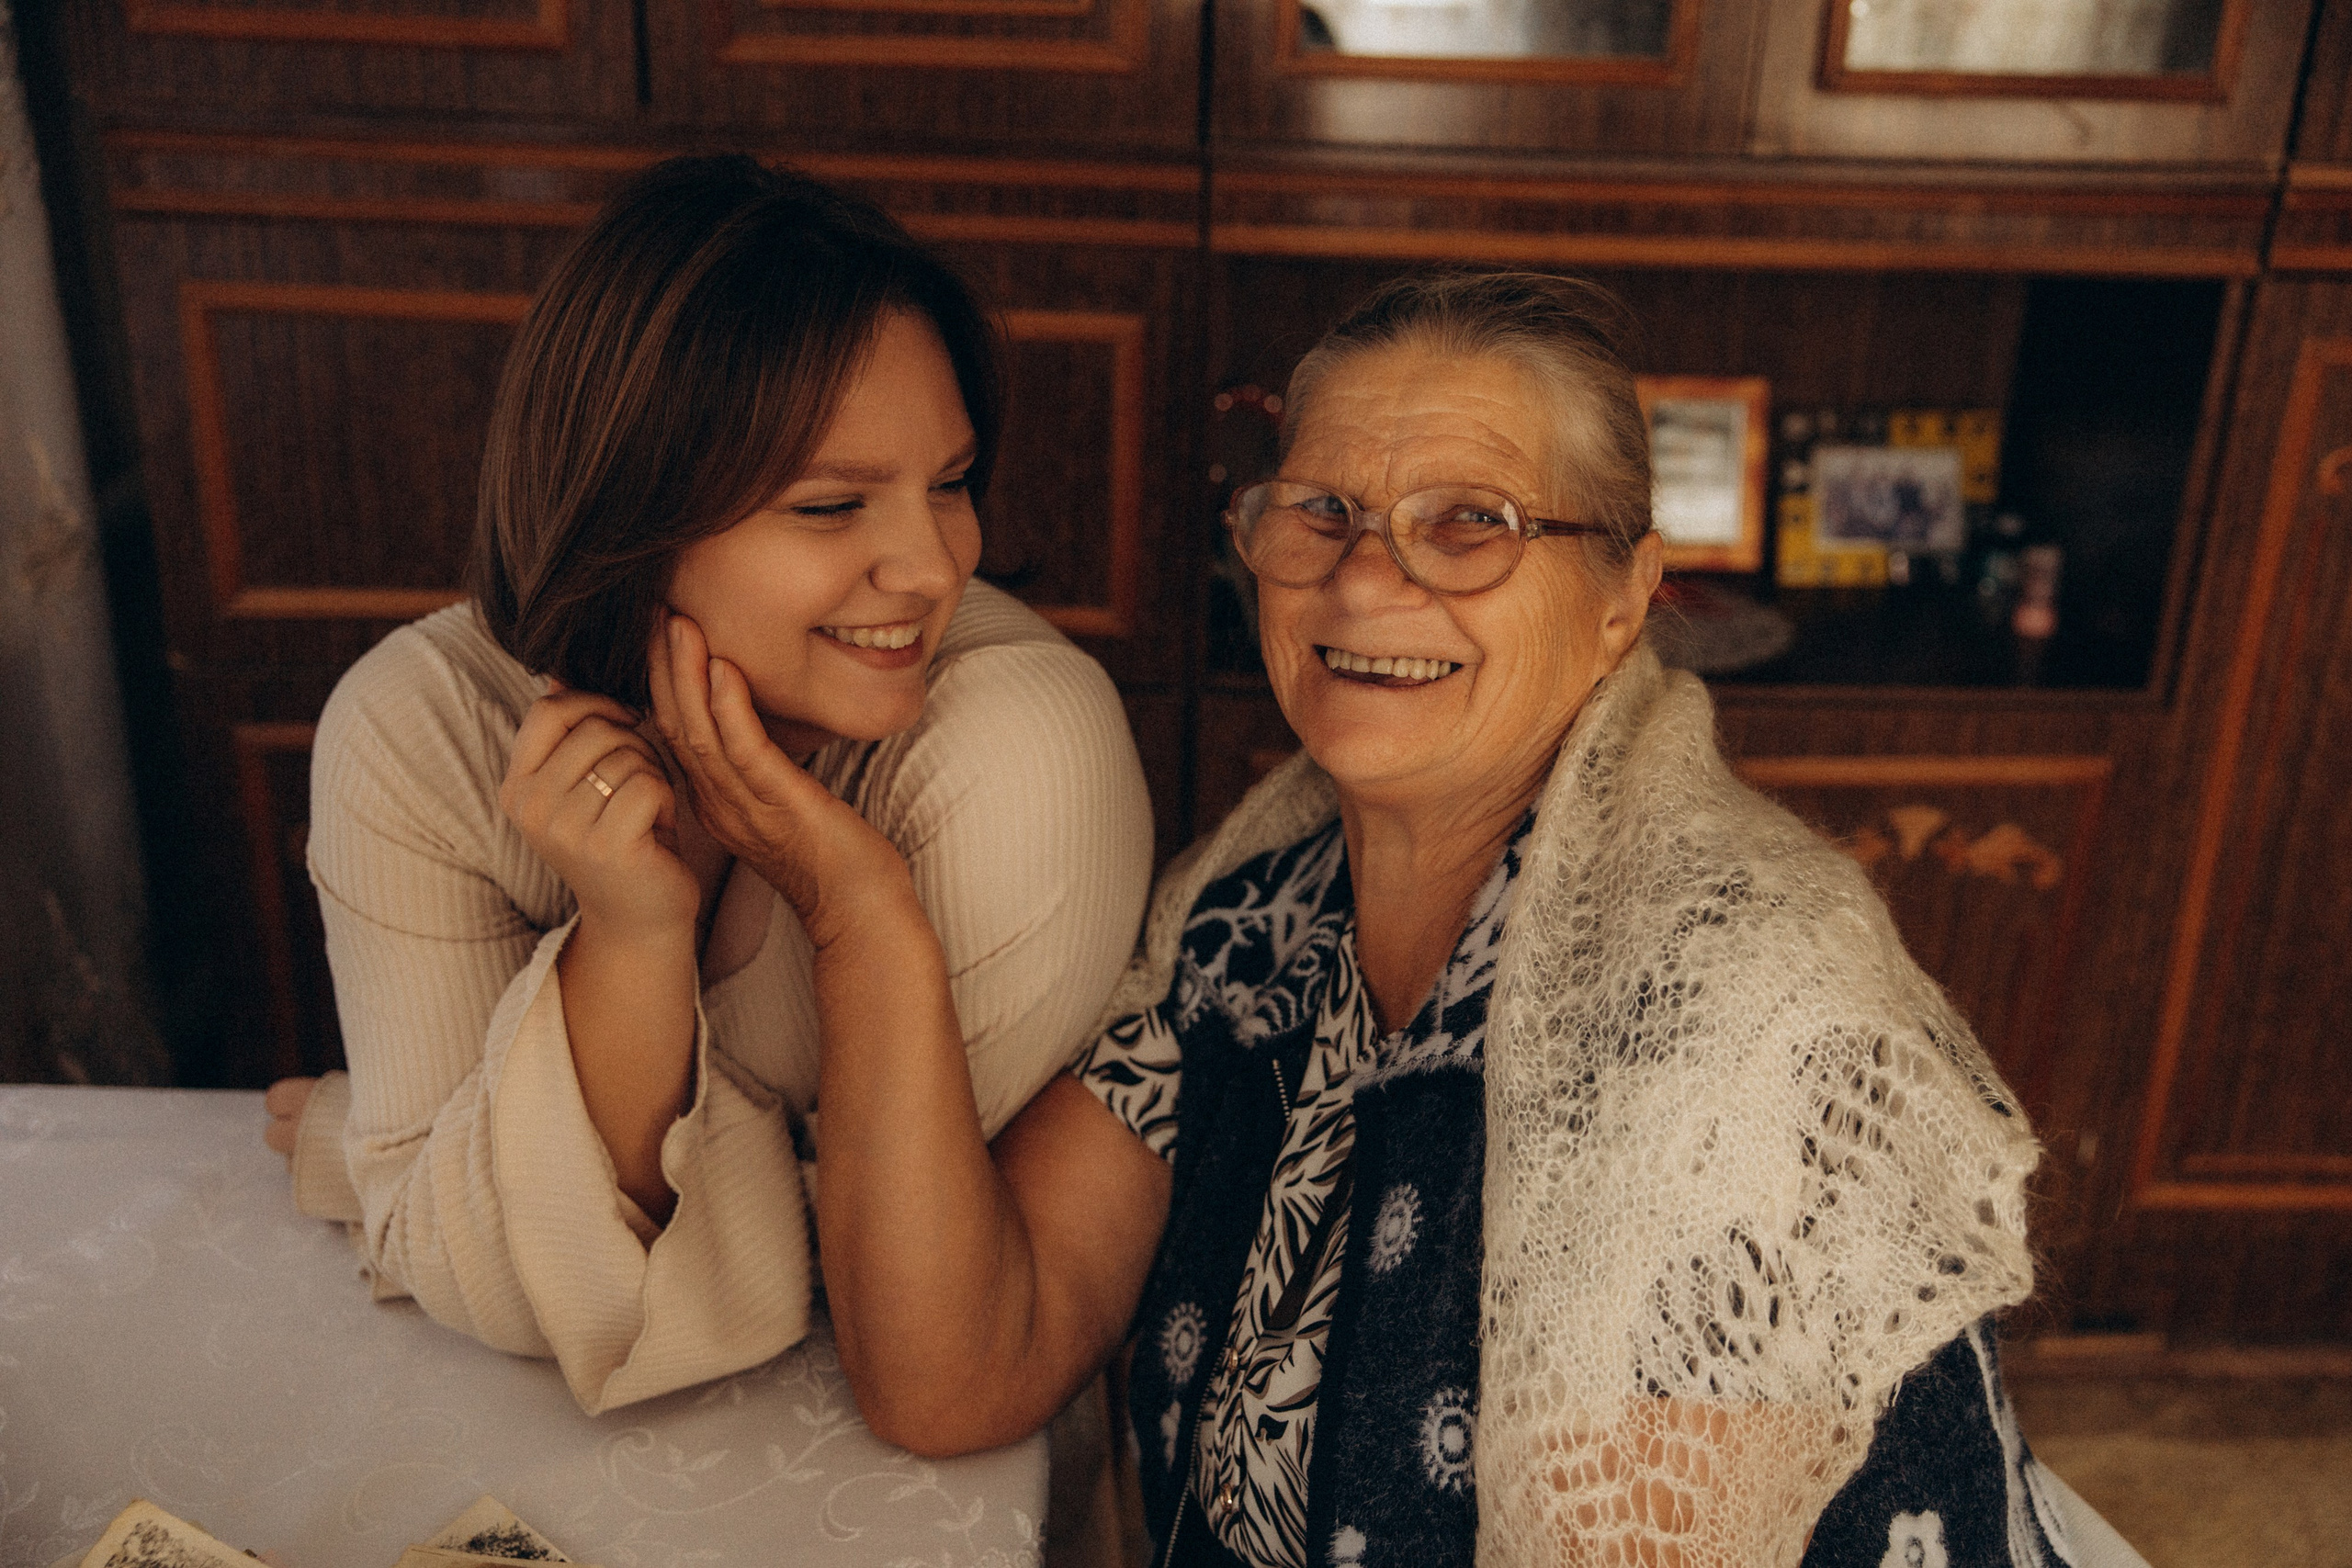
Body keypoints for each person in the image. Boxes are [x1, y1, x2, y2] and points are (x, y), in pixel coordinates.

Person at [659, 268, 2082, 1566]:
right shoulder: (1251, 918)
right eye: (1320, 512)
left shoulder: (1734, 1014)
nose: (1363, 577)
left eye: (1473, 523)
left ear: (1623, 602)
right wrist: (862, 914)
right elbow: (955, 1370)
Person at [264, 155, 1153, 1416]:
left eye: (951, 484)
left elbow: (869, 1275)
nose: (936, 564)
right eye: (835, 505)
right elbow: (478, 1269)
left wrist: (856, 910)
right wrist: (630, 933)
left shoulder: (1019, 759)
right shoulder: (419, 729)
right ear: (630, 513)